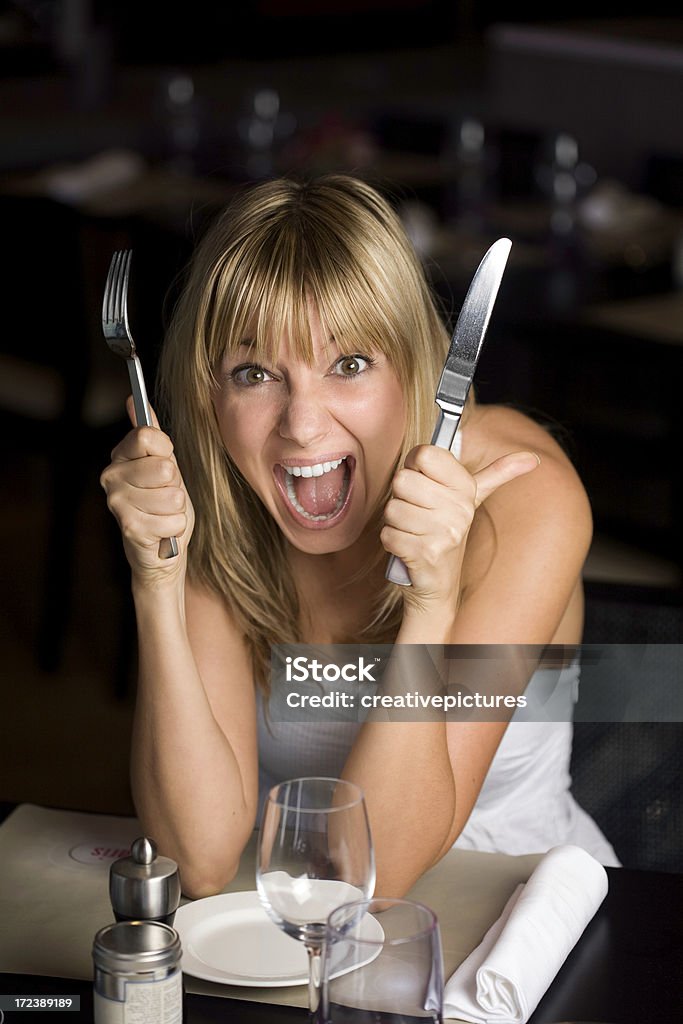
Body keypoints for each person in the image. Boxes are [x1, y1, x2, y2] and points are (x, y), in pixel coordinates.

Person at [100, 174, 618, 899]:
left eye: (349, 364)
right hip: (288, 925)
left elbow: (372, 875)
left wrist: (429, 604)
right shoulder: (209, 498)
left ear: (415, 366)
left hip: (521, 929)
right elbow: (203, 859)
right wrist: (156, 582)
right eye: (252, 373)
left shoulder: (519, 494)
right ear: (206, 398)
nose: (301, 424)